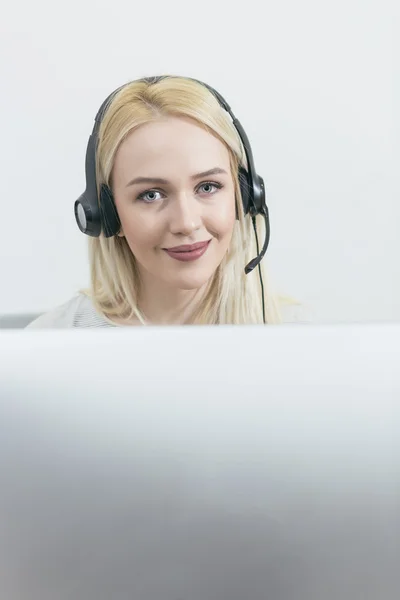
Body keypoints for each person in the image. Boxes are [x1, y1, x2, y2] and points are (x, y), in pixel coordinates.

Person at [27, 75, 298, 329]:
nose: (186, 223)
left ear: (245, 196)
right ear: (108, 214)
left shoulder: (299, 339)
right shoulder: (47, 342)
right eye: (151, 195)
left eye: (208, 187)